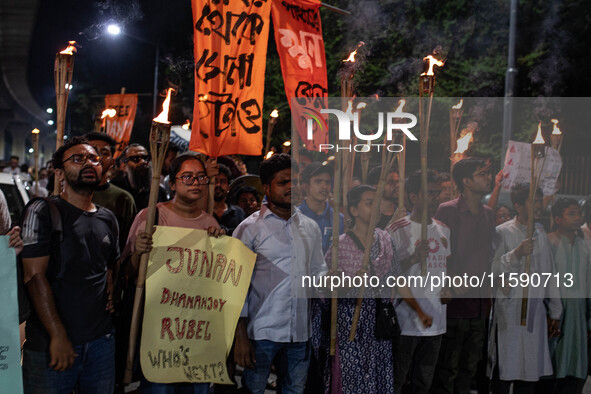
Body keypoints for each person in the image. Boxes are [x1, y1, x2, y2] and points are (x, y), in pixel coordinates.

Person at [20, 136, 120, 392]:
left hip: (101, 342)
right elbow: (33, 276)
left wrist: (109, 288)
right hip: (52, 344)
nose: (88, 162)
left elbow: (109, 265)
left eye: (94, 158)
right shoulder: (42, 210)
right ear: (59, 171)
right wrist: (57, 334)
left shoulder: (108, 218)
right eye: (78, 158)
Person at [122, 154, 223, 393]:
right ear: (172, 183)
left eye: (201, 177)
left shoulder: (211, 223)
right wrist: (138, 252)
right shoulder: (151, 217)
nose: (196, 182)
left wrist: (219, 248)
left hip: (198, 330)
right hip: (160, 330)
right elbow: (129, 272)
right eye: (187, 177)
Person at [233, 153, 326, 394]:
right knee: (254, 389)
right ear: (266, 187)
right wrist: (240, 334)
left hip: (300, 331)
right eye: (283, 182)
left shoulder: (310, 227)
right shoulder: (249, 228)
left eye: (294, 181)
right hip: (261, 331)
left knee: (294, 390)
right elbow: (236, 287)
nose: (291, 187)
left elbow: (318, 271)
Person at [488, 184, 562, 394]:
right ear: (518, 205)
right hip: (509, 312)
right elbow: (492, 269)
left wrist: (555, 310)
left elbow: (550, 274)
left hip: (534, 313)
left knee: (529, 371)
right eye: (534, 200)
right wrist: (516, 254)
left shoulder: (540, 233)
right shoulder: (502, 232)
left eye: (540, 200)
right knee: (505, 369)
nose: (539, 204)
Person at [432, 157, 495, 394]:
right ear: (466, 181)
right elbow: (438, 254)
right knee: (449, 365)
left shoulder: (488, 214)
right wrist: (449, 279)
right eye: (482, 174)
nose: (487, 178)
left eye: (487, 173)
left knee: (471, 366)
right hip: (454, 302)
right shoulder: (447, 211)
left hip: (479, 301)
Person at [387, 170, 451, 394]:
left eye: (437, 193)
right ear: (413, 196)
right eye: (430, 193)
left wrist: (448, 288)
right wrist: (413, 258)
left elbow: (445, 268)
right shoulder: (397, 229)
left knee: (424, 380)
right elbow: (386, 272)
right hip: (406, 318)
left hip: (436, 318)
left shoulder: (443, 229)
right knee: (397, 377)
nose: (436, 198)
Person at [544, 198, 591, 394]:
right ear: (557, 219)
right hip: (555, 314)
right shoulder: (548, 242)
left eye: (578, 213)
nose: (577, 217)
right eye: (571, 213)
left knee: (575, 364)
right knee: (551, 364)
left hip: (579, 314)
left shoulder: (586, 245)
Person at [84, 132, 138, 250]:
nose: (97, 158)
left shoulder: (124, 199)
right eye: (92, 152)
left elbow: (127, 243)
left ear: (112, 162)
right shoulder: (67, 195)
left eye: (104, 153)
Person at [299, 161, 344, 254]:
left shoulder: (339, 219)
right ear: (306, 186)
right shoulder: (295, 218)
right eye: (318, 181)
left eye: (327, 182)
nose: (324, 186)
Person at [112, 143, 168, 210]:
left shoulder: (158, 192)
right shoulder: (115, 189)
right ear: (123, 166)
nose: (143, 161)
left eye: (146, 158)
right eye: (136, 158)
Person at [213, 163, 245, 236]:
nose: (218, 185)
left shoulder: (238, 213)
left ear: (228, 187)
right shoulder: (201, 212)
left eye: (222, 182)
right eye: (215, 181)